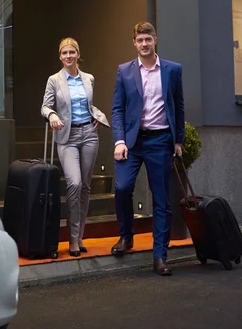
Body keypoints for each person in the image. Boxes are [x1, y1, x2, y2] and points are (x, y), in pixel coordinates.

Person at [111, 22, 185, 276]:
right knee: (121, 188)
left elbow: (179, 105)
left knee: (162, 200)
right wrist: (119, 140)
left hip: (160, 141)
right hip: (132, 143)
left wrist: (178, 141)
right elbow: (117, 109)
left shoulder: (173, 70)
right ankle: (126, 236)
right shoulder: (124, 71)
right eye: (139, 40)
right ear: (134, 42)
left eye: (148, 39)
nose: (144, 44)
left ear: (155, 40)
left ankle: (160, 256)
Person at [41, 38, 110, 257]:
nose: (69, 56)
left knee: (86, 186)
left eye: (72, 52)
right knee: (75, 183)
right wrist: (51, 115)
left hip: (89, 133)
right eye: (65, 53)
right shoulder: (54, 80)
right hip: (67, 137)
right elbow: (45, 106)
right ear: (60, 56)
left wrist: (97, 114)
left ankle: (80, 237)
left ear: (78, 54)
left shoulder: (88, 78)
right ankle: (71, 239)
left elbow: (85, 105)